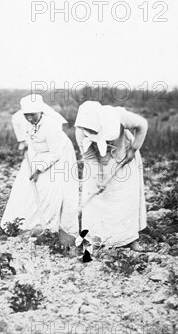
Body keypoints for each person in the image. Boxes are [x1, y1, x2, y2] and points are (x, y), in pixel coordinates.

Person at [1, 94, 79, 238]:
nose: (29, 119)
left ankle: (47, 226)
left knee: (48, 188)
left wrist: (39, 169)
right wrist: (22, 141)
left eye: (33, 115)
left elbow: (56, 154)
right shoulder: (21, 117)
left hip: (58, 155)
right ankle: (22, 224)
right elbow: (16, 121)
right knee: (25, 186)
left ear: (41, 111)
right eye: (27, 115)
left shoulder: (51, 126)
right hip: (37, 152)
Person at [74, 100, 148, 251]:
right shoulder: (80, 131)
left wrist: (133, 149)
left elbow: (142, 125)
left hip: (124, 156)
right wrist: (98, 178)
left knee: (125, 199)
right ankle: (95, 239)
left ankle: (129, 238)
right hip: (97, 163)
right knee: (96, 202)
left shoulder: (119, 116)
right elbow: (89, 158)